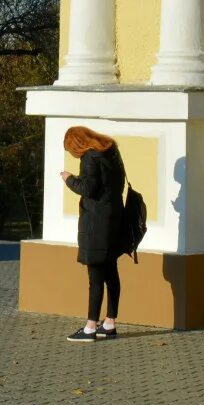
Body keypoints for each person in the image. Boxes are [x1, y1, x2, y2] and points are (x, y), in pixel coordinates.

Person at [60, 125, 126, 342]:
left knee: (95, 276)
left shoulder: (90, 158)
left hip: (96, 224)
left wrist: (69, 178)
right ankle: (110, 323)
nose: (74, 154)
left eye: (72, 149)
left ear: (78, 144)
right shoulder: (111, 151)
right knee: (111, 272)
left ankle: (90, 328)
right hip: (114, 218)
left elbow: (88, 189)